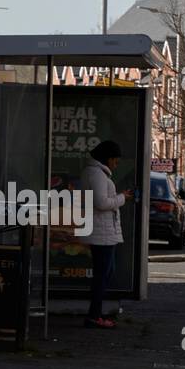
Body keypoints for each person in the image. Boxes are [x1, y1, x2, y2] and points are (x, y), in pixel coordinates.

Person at [77, 140, 132, 329]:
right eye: (115, 160)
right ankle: (94, 316)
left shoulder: (93, 173)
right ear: (108, 159)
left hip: (102, 230)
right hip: (101, 232)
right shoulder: (97, 175)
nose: (116, 164)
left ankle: (95, 313)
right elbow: (101, 203)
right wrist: (122, 198)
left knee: (105, 273)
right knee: (103, 274)